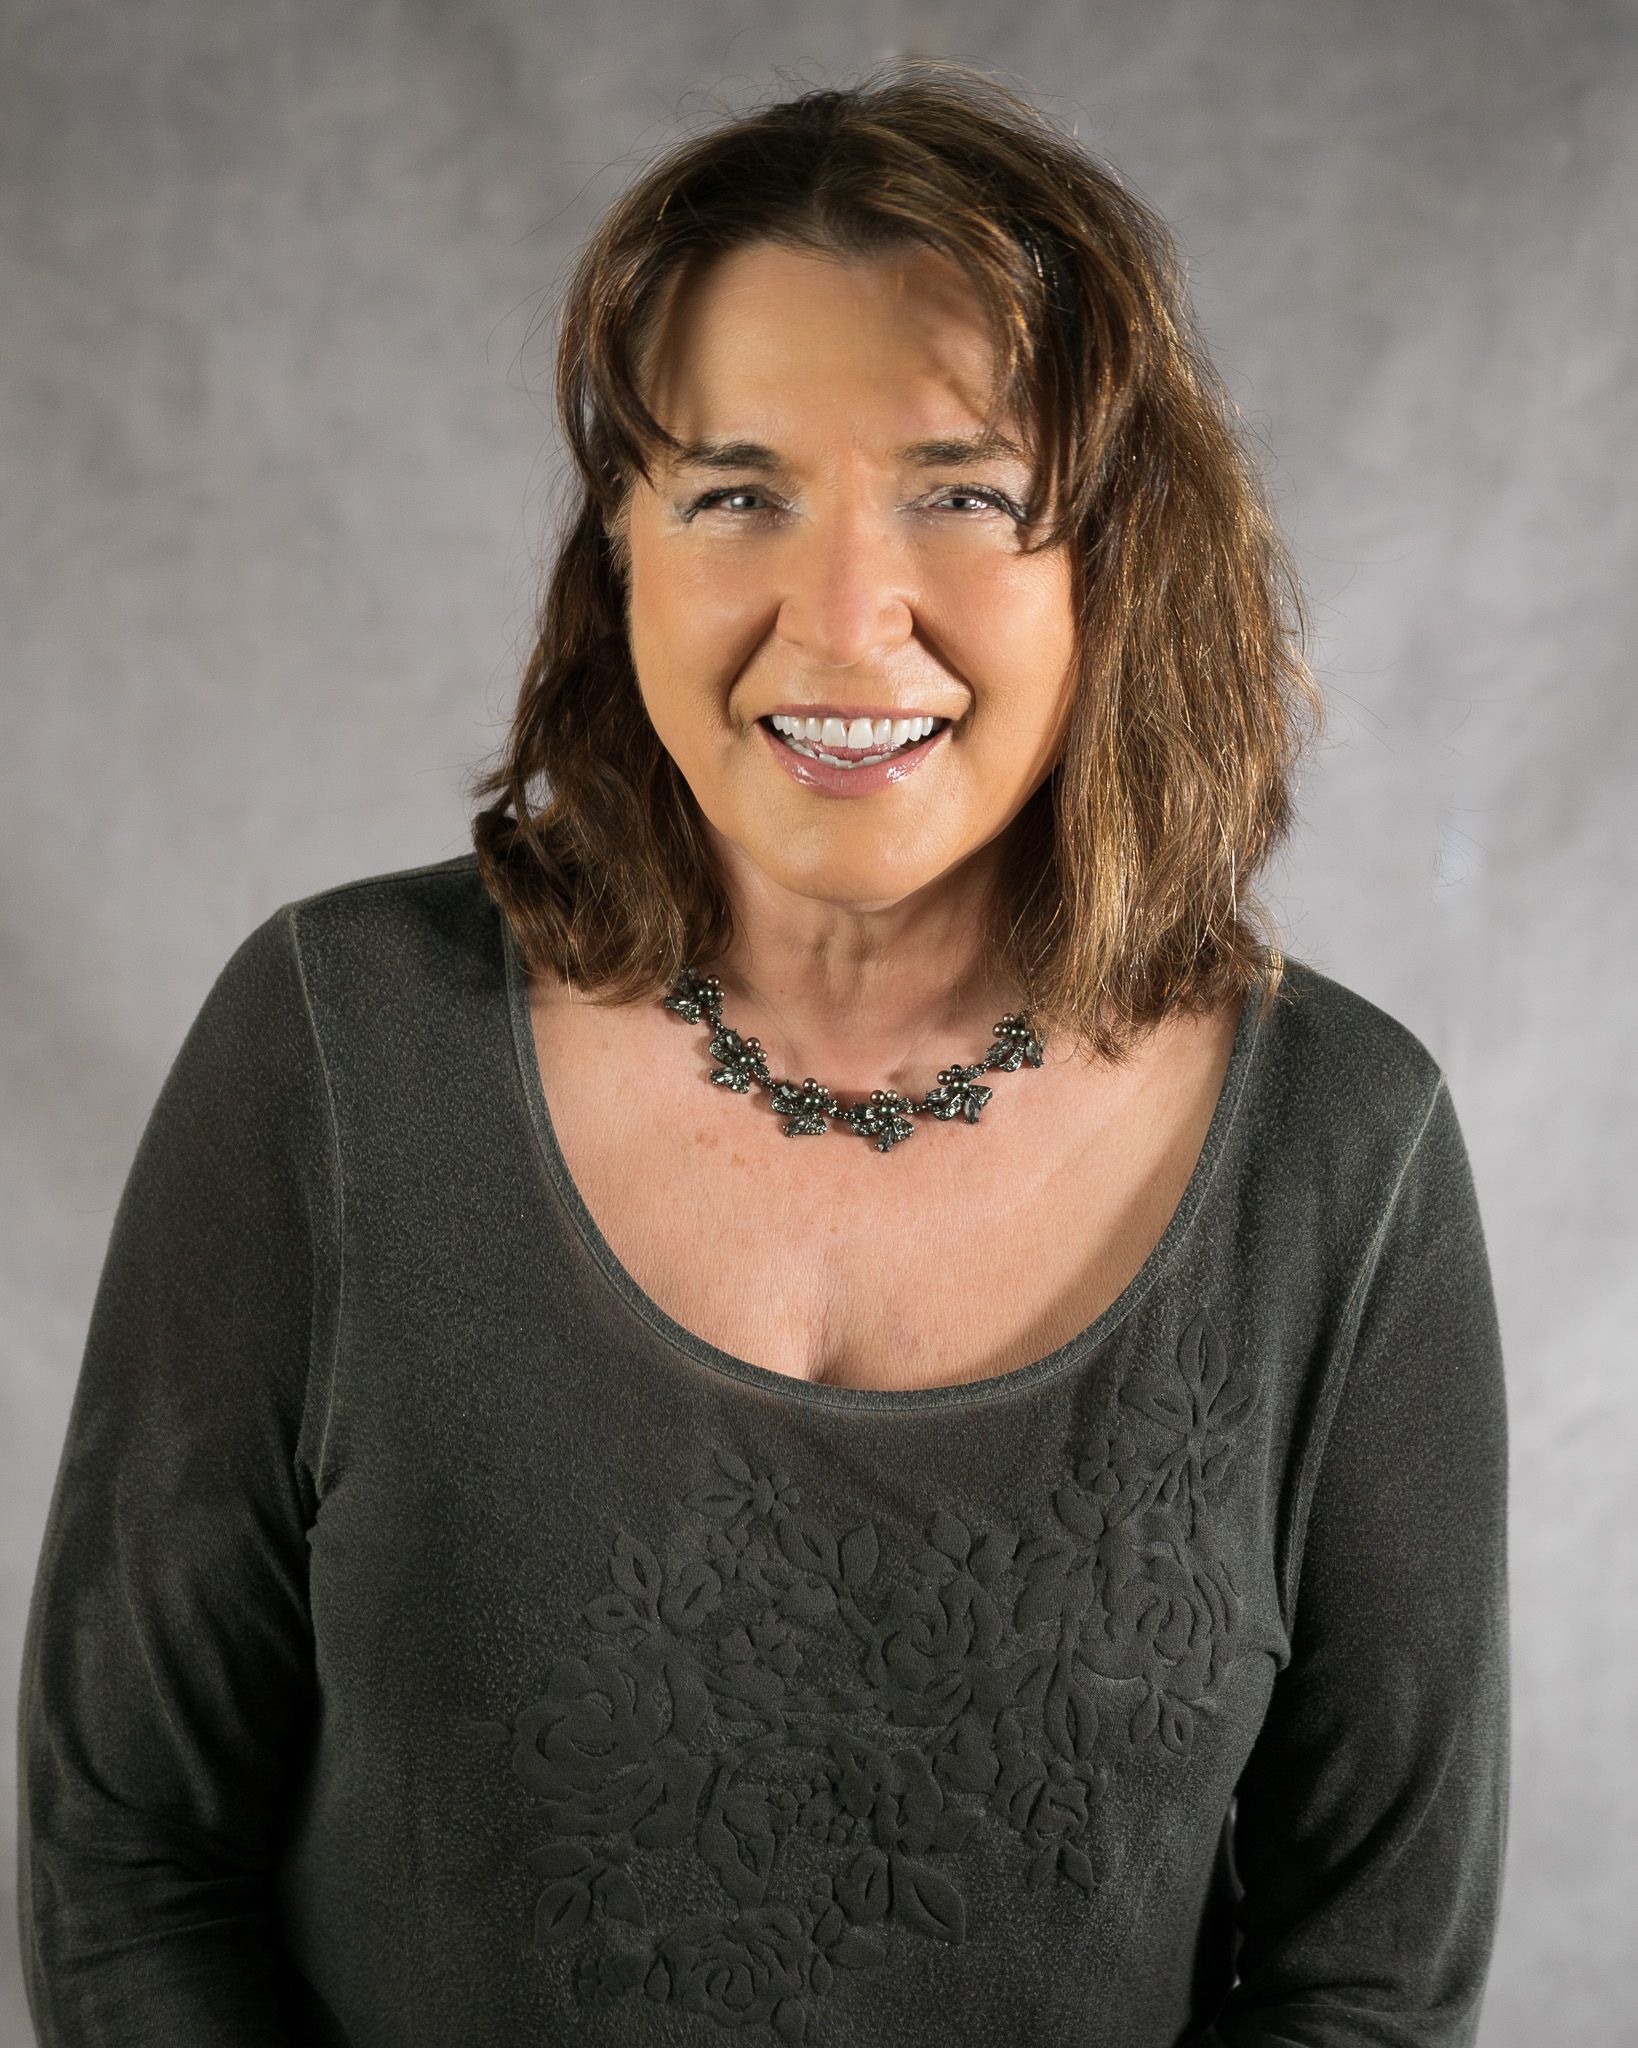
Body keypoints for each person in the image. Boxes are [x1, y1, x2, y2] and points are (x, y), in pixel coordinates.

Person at [16, 58, 1509, 2048]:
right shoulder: (332, 1048)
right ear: (618, 550)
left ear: (1121, 560)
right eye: (736, 492)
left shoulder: (1350, 1155)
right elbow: (127, 1857)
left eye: (966, 491)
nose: (843, 616)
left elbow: (1367, 1988)